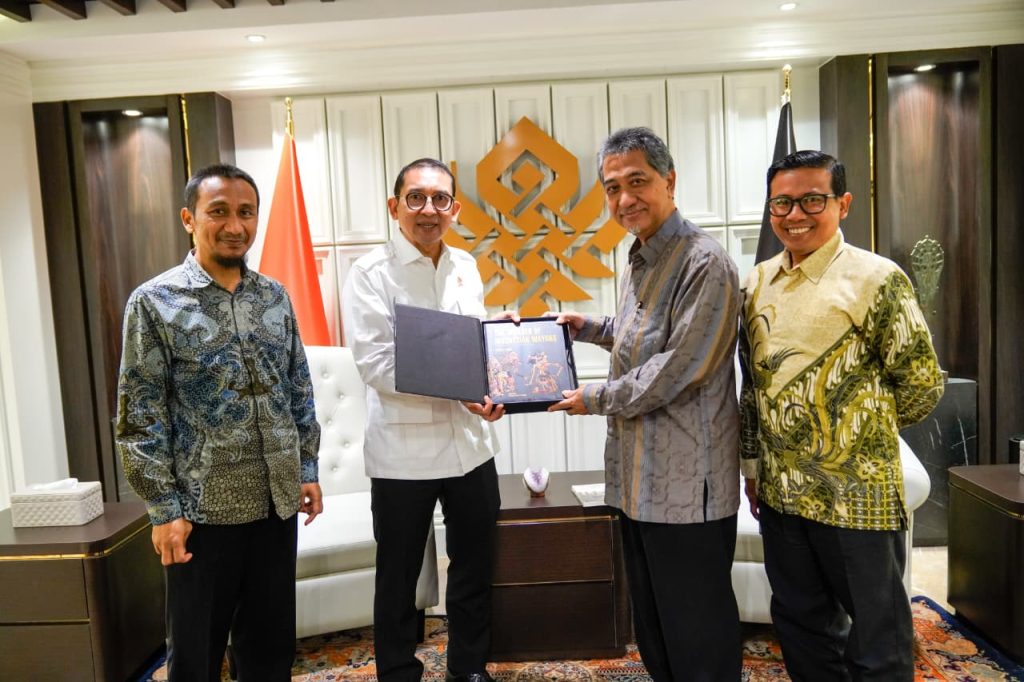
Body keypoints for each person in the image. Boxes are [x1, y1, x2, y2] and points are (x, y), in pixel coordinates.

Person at [739, 150, 944, 681]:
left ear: (842, 203)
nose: (795, 214)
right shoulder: (755, 284)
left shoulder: (878, 279)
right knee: (802, 626)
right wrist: (754, 469)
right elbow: (753, 391)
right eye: (782, 202)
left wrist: (857, 433)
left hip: (861, 499)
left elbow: (922, 384)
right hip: (783, 497)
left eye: (812, 199)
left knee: (878, 636)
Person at [115, 163, 323, 682]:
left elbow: (297, 386)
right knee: (195, 654)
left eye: (246, 212)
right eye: (219, 212)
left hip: (276, 503)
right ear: (189, 218)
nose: (235, 225)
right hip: (201, 512)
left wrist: (308, 466)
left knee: (271, 649)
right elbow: (140, 412)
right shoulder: (154, 302)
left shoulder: (273, 296)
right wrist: (163, 510)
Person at [549, 127, 743, 681]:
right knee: (656, 628)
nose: (624, 199)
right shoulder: (641, 258)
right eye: (612, 188)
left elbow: (677, 367)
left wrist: (594, 398)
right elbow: (643, 337)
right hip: (639, 481)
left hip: (688, 489)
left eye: (637, 182)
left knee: (697, 631)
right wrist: (589, 328)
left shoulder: (704, 262)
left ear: (669, 181)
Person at [341, 158, 505, 682]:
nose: (428, 210)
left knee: (474, 570)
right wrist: (463, 387)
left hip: (471, 447)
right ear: (395, 207)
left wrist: (495, 383)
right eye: (416, 198)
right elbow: (376, 364)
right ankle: (396, 672)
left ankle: (470, 667)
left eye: (440, 200)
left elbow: (475, 348)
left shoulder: (466, 265)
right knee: (398, 578)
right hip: (401, 456)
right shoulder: (369, 274)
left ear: (455, 209)